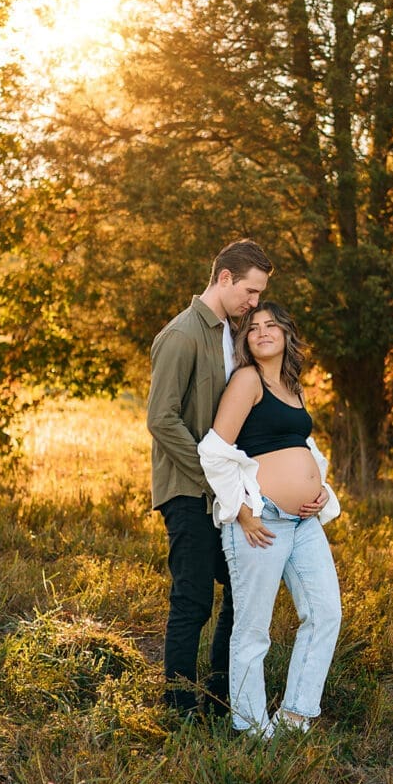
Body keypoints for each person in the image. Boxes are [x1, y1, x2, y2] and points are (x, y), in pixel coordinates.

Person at [197, 302, 341, 737]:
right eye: (254, 327)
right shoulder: (247, 380)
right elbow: (213, 451)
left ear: (285, 335)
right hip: (262, 522)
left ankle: (295, 717)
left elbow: (303, 449)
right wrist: (240, 510)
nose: (262, 331)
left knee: (325, 613)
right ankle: (250, 727)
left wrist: (321, 490)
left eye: (271, 325)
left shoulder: (293, 387)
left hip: (303, 523)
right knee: (253, 629)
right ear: (246, 339)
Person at [147, 239, 273, 718]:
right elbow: (161, 419)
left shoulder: (228, 332)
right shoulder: (181, 335)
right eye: (251, 290)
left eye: (260, 294)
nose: (255, 302)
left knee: (241, 593)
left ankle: (219, 702)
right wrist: (214, 478)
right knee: (192, 600)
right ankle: (178, 710)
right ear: (224, 278)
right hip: (188, 490)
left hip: (223, 494)